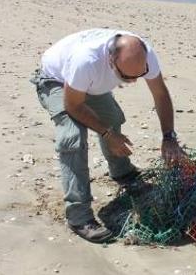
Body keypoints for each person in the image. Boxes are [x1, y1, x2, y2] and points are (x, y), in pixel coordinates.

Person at [30, 28, 185, 243]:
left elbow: (160, 93)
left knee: (112, 117)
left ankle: (122, 173)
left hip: (89, 84)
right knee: (73, 137)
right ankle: (79, 217)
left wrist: (169, 136)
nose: (133, 82)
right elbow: (73, 105)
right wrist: (106, 133)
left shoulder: (144, 53)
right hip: (56, 80)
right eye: (125, 77)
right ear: (111, 60)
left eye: (139, 75)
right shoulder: (86, 61)